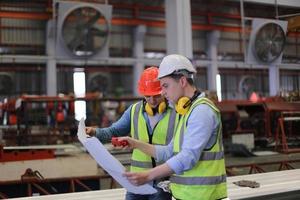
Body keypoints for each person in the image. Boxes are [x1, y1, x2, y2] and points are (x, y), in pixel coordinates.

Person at [123, 54, 228, 200]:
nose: (163, 92)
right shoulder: (186, 111)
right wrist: (135, 143)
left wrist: (148, 175)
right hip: (186, 196)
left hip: (204, 196)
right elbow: (169, 151)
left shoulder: (201, 111)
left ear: (183, 81)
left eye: (165, 86)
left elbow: (188, 158)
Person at [85, 66, 178, 200]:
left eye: (156, 96)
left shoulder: (176, 113)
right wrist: (95, 132)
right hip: (137, 182)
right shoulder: (134, 111)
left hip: (162, 182)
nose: (152, 100)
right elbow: (114, 131)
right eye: (148, 96)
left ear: (164, 90)